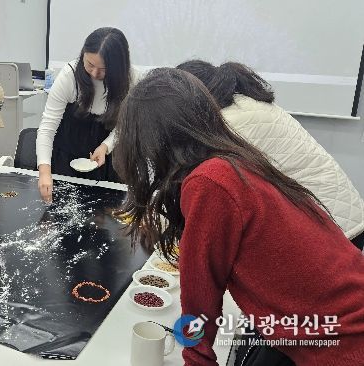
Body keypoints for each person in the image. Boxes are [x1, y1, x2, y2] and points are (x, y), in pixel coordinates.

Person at [113, 68, 364, 365]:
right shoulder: (233, 160)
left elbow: (200, 297)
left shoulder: (210, 182)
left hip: (343, 341)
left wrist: (196, 358)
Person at [177, 60, 364, 247]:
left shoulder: (228, 123)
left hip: (333, 228)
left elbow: (209, 190)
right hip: (341, 216)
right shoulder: (247, 103)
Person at [36, 27, 138, 202]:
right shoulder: (69, 76)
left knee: (103, 209)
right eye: (90, 64)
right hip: (65, 155)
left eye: (103, 69)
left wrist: (106, 146)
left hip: (105, 161)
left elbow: (125, 124)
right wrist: (44, 172)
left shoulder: (130, 79)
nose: (94, 73)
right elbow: (47, 127)